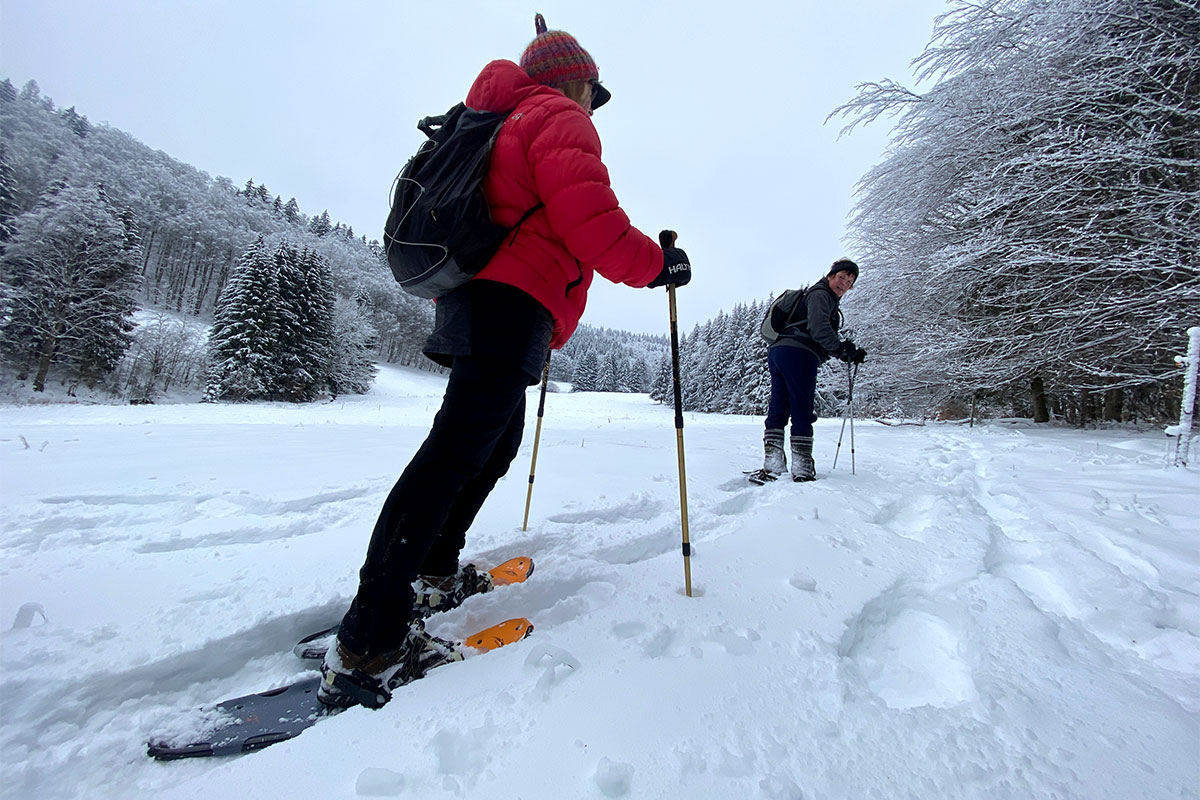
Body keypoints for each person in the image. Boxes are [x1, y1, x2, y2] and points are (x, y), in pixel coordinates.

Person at [318, 14, 692, 708]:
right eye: (591, 88)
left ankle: (432, 566)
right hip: (511, 302)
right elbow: (594, 224)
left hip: (476, 300)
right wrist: (659, 266)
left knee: (492, 442)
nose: (592, 101)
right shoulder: (553, 116)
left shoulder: (498, 118)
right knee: (454, 453)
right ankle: (372, 639)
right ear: (571, 80)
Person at [761, 259, 865, 482]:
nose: (844, 283)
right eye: (841, 277)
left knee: (779, 405)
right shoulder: (821, 295)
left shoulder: (818, 295)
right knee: (801, 407)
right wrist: (840, 349)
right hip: (799, 353)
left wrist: (845, 350)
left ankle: (773, 462)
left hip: (779, 351)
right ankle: (802, 467)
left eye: (849, 281)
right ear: (830, 276)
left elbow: (817, 330)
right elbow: (819, 330)